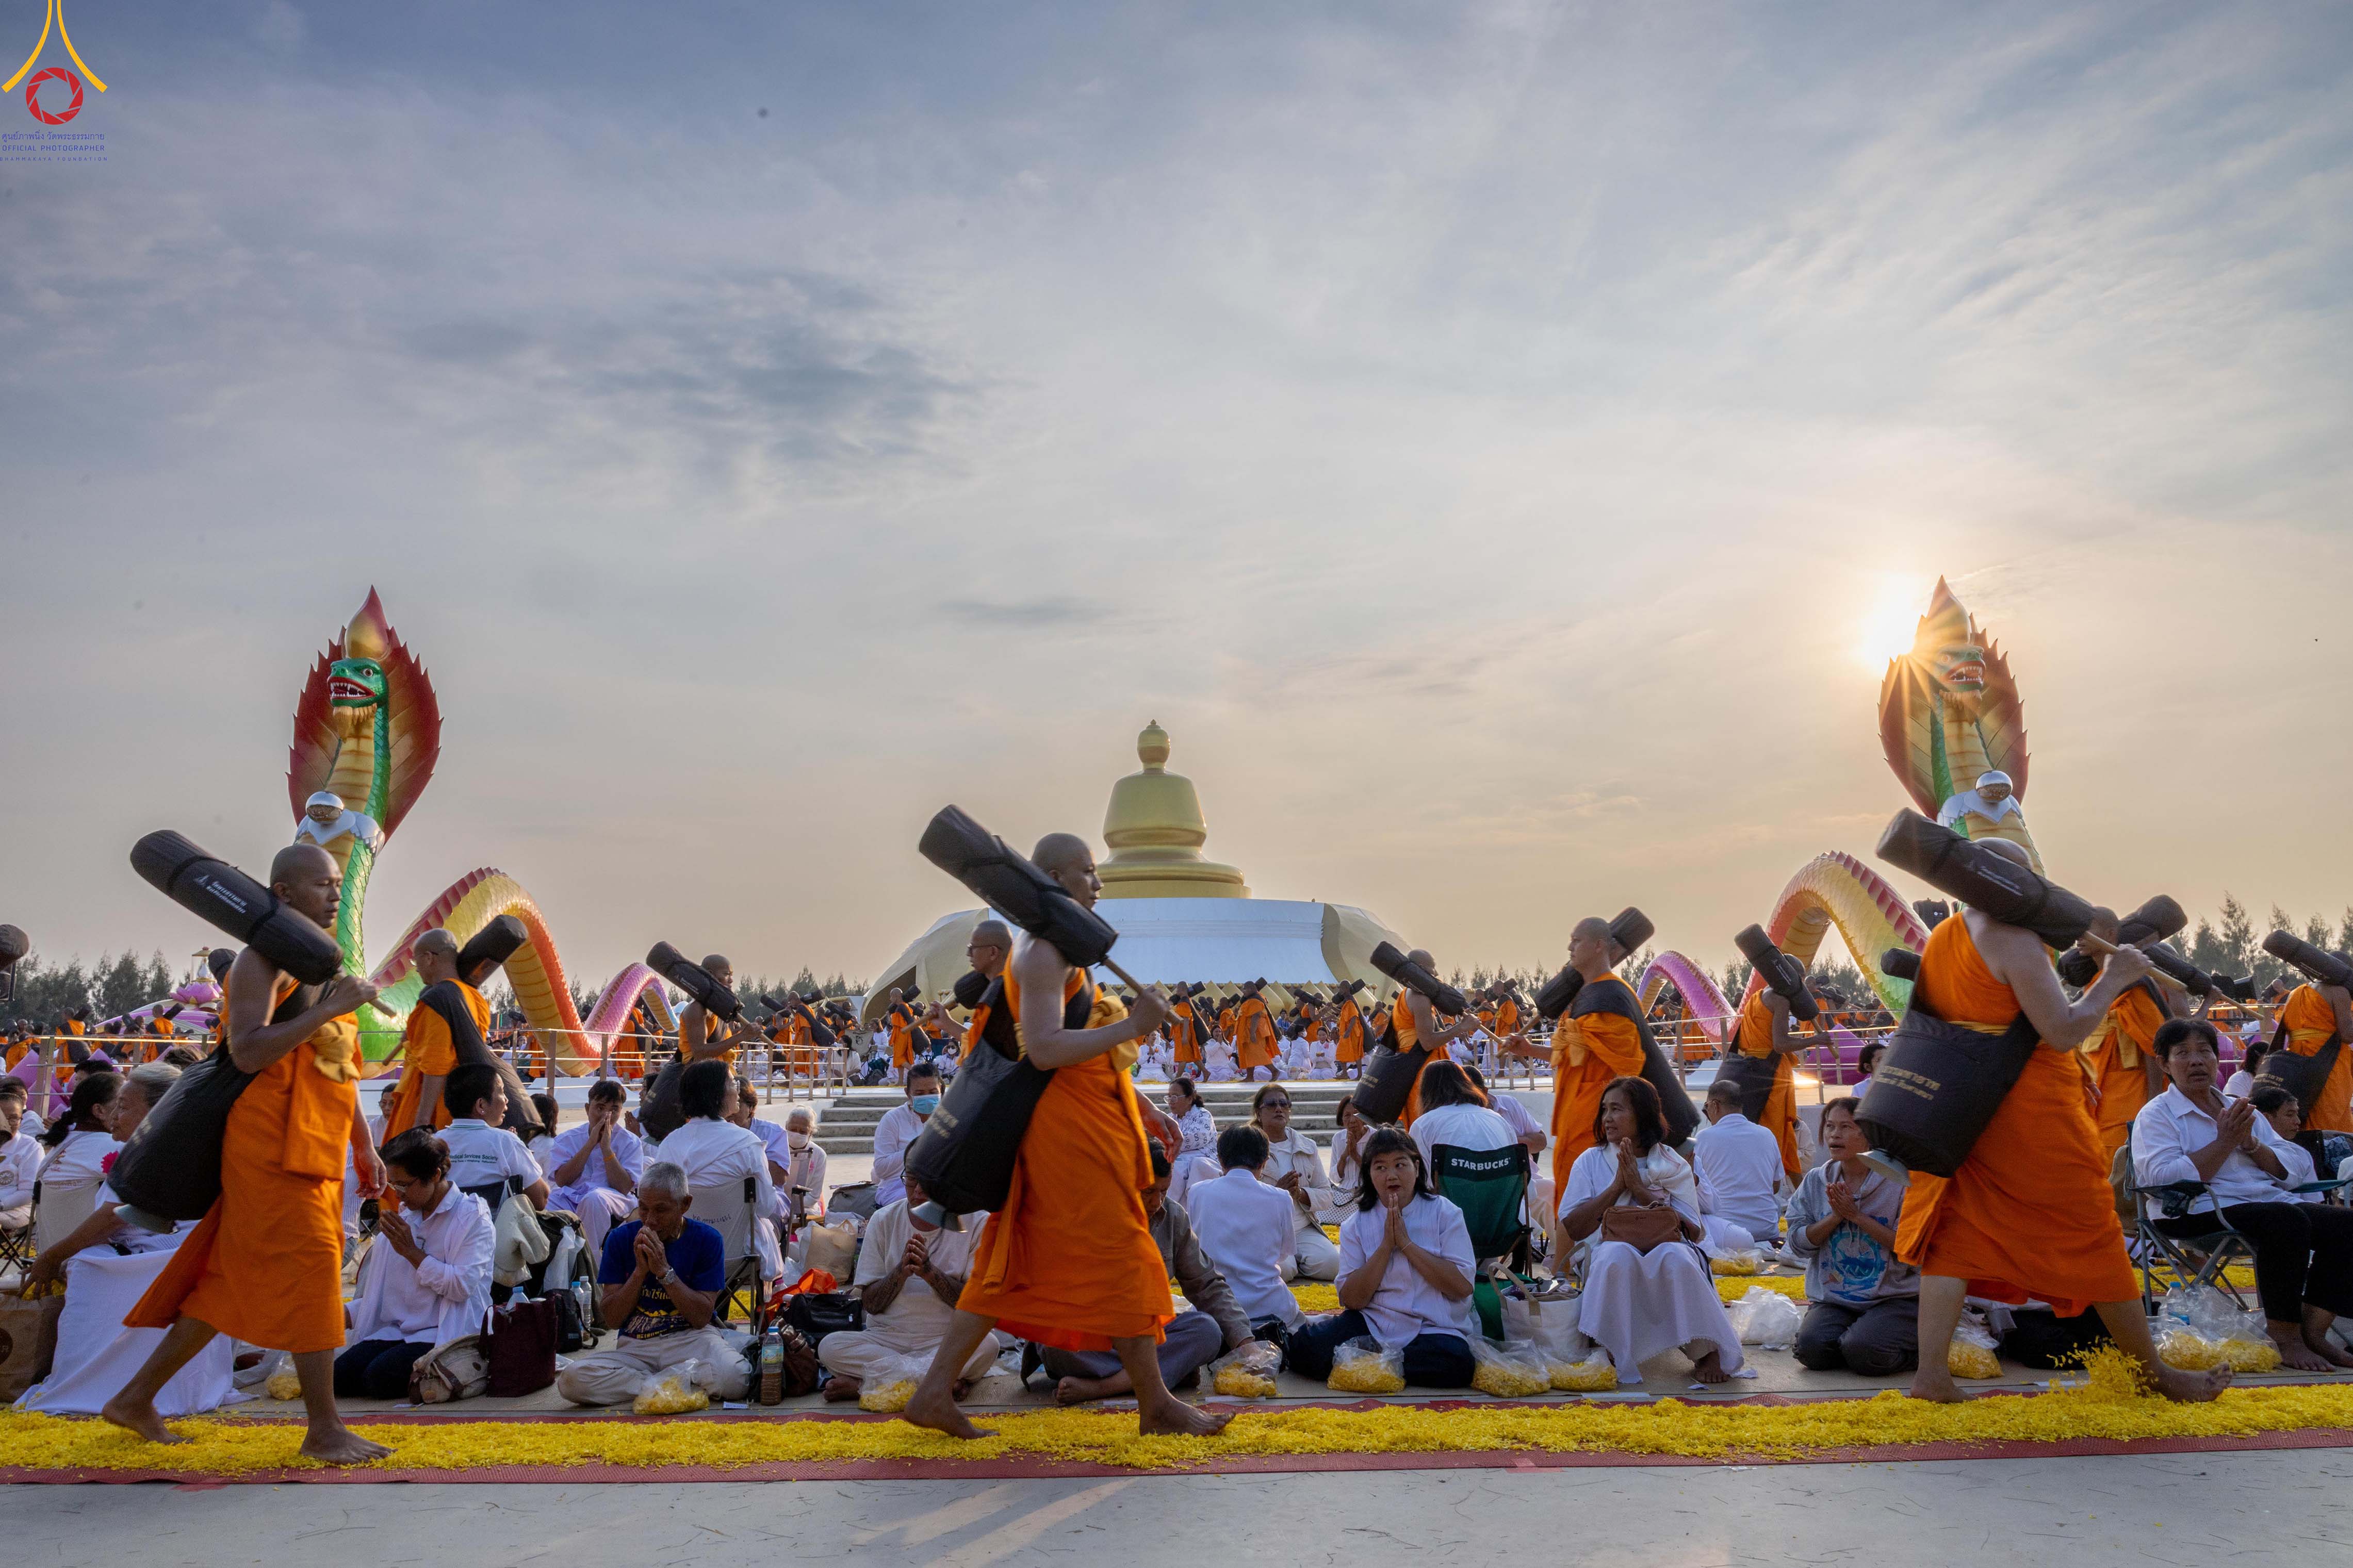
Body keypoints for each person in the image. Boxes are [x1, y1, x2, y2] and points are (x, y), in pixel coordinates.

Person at [903, 832, 1227, 1440]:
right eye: (1087, 872)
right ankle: (1155, 1404)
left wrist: (1142, 1104)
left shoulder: (1063, 949)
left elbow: (1083, 1050)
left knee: (1010, 1258)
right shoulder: (1041, 954)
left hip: (1082, 1125)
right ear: (1053, 876)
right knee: (1125, 1251)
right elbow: (1048, 1049)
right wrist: (1134, 1022)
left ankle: (930, 1393)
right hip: (1061, 1139)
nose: (1098, 885)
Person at [1896, 839, 2227, 1404]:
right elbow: (2061, 1029)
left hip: (1962, 1108)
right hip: (2027, 1115)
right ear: (2011, 884)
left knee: (1955, 1233)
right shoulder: (2013, 938)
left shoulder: (1948, 935)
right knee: (2094, 1232)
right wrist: (2114, 974)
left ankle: (1931, 1374)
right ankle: (2154, 1374)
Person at [111, 841, 391, 1463]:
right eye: (323, 883)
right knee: (318, 1268)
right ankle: (324, 1428)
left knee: (228, 1282)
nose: (335, 894)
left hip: (318, 1145)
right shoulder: (261, 959)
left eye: (339, 884)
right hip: (269, 1143)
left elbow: (337, 1068)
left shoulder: (324, 964)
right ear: (284, 893)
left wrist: (364, 1144)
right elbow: (249, 1051)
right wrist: (336, 1005)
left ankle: (134, 1398)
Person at [2130, 1017, 2353, 1372]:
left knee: (2346, 1224)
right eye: (2183, 1053)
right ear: (2164, 1063)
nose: (2196, 1061)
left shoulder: (2240, 1107)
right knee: (2285, 1219)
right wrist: (2224, 1143)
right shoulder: (2158, 1114)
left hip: (2265, 1202)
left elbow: (2295, 1164)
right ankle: (2284, 1336)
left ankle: (2314, 1331)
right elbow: (2159, 1177)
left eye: (2204, 1051)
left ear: (2217, 1058)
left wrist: (2251, 1144)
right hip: (2196, 1208)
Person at [1557, 1076, 1742, 1385]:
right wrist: (1618, 1186)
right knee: (1617, 1255)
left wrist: (1641, 1191)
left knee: (1677, 1256)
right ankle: (1611, 1344)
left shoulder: (1671, 1162)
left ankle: (1704, 1348)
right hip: (1605, 1246)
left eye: (1617, 1110)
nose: (1608, 1118)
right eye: (1605, 1110)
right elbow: (1574, 1226)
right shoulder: (1589, 1161)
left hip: (1665, 1243)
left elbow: (1694, 1232)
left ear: (1642, 1114)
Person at [1042, 1144, 1259, 1404]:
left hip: (1146, 1333)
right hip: (1094, 1330)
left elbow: (1207, 1284)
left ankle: (1108, 1385)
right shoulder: (1090, 1212)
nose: (1156, 1202)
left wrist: (1246, 1344)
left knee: (1206, 1331)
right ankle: (1164, 1373)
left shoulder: (1174, 1217)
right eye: (1148, 1192)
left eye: (1164, 1191)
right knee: (1053, 1344)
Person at [1286, 1128, 1477, 1389]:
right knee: (1304, 1349)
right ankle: (1381, 1362)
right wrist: (1387, 1246)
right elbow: (1352, 1299)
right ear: (1369, 1174)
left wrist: (1407, 1245)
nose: (1392, 1176)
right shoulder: (1357, 1223)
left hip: (1431, 1327)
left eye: (1400, 1165)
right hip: (1373, 1322)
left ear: (1417, 1167)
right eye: (1381, 1168)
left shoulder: (1445, 1214)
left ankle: (1371, 1363)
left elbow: (1462, 1287)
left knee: (1457, 1364)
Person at [555, 1161, 749, 1405]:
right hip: (636, 1346)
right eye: (644, 1209)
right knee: (571, 1381)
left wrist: (664, 1272)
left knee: (736, 1379)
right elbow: (613, 1320)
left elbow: (701, 1318)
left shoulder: (707, 1240)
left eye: (661, 1210)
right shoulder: (621, 1239)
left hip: (691, 1340)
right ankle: (669, 1383)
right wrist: (639, 1272)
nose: (650, 1220)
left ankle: (653, 1384)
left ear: (685, 1205)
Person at [337, 1129, 496, 1399]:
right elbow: (386, 1296)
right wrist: (345, 1314)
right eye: (393, 1185)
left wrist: (412, 1252)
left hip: (445, 1331)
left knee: (378, 1380)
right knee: (339, 1378)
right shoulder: (407, 1216)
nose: (397, 1195)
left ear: (434, 1175)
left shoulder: (472, 1218)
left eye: (404, 1185)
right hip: (398, 1330)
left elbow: (461, 1287)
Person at [820, 1173, 1003, 1401]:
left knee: (988, 1345)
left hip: (945, 1339)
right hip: (887, 1340)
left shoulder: (976, 1222)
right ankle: (937, 1383)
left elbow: (974, 1306)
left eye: (927, 1183)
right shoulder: (883, 1219)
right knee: (829, 1347)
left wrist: (930, 1273)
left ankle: (865, 1386)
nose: (917, 1191)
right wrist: (900, 1273)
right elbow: (872, 1305)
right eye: (912, 1180)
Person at [1513, 918, 1648, 1198]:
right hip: (1573, 1113)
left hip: (1599, 1115)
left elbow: (1630, 1066)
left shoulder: (1613, 996)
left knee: (1592, 1198)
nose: (1569, 947)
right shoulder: (1584, 998)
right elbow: (1570, 1055)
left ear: (1599, 946)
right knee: (1570, 1197)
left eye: (1576, 941)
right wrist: (1527, 1049)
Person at [1787, 1097, 1919, 1375]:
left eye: (1846, 1127)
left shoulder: (1900, 1182)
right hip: (1836, 1300)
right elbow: (1798, 1244)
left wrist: (1857, 1217)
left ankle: (1911, 1348)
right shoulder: (1816, 1180)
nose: (1835, 1135)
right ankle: (1855, 1340)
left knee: (1866, 1353)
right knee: (1812, 1352)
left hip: (1895, 1298)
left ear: (1870, 1135)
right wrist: (1836, 1216)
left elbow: (1912, 1249)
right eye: (1830, 1126)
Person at [654, 1059, 785, 1279]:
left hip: (681, 1255)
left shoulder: (669, 1145)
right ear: (718, 1094)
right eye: (733, 1083)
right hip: (737, 1259)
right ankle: (757, 1310)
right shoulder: (748, 1144)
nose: (738, 1090)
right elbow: (765, 1207)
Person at [1185, 1126, 1309, 1340]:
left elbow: (1197, 1247)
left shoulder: (1198, 1192)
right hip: (1270, 1308)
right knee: (1305, 1329)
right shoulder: (1281, 1198)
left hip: (1216, 1309)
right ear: (1264, 1162)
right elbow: (1284, 1254)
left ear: (1221, 1161)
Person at [2076, 909, 2170, 1159]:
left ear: (2110, 934)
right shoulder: (2092, 987)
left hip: (2129, 1095)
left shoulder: (2134, 987)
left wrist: (2153, 1105)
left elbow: (2154, 1049)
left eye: (2088, 929)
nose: (2079, 936)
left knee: (2121, 1167)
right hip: (2095, 1095)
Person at [1727, 973, 1828, 1180]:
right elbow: (1780, 1045)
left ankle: (1798, 1195)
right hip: (1771, 1074)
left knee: (1784, 1135)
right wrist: (1816, 1039)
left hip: (1751, 1071)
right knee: (1774, 1135)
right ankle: (1768, 1186)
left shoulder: (1757, 996)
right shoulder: (1780, 1000)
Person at [380, 929, 475, 1137]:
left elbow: (436, 1065)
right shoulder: (473, 997)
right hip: (463, 1100)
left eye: (416, 962)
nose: (416, 969)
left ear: (429, 958)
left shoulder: (437, 1001)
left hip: (432, 1105)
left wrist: (422, 1122)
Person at [544, 1078, 643, 1262]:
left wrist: (606, 1149)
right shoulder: (568, 1139)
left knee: (594, 1199)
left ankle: (589, 1263)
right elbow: (562, 1180)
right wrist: (590, 1145)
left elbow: (623, 1187)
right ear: (587, 1108)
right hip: (573, 1196)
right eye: (600, 1108)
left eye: (614, 1110)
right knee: (546, 1202)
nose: (607, 1115)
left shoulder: (630, 1142)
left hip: (614, 1198)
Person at [1247, 1083, 1339, 1279]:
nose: (1279, 1109)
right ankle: (1292, 1262)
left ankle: (1297, 1259)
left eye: (1284, 1104)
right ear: (1259, 1112)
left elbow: (1326, 1195)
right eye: (1271, 1104)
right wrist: (1278, 1193)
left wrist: (1301, 1194)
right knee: (1284, 1271)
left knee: (1333, 1265)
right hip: (1268, 1228)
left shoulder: (1307, 1146)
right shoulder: (1248, 1146)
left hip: (1303, 1228)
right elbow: (1239, 1198)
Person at [437, 1064, 550, 1212]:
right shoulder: (506, 1142)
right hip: (495, 1232)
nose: (506, 1100)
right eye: (502, 1092)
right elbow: (541, 1199)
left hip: (440, 1233)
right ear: (481, 1105)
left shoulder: (432, 1143)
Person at [1387, 952, 1482, 1125]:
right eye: (1433, 968)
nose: (1436, 974)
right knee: (1430, 1126)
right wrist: (1461, 1027)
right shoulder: (1419, 997)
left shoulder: (1405, 995)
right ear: (1422, 969)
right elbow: (1427, 1042)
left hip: (1411, 1067)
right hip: (1421, 1069)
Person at [1693, 1078, 1787, 1248]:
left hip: (1726, 1231)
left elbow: (1694, 1189)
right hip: (1766, 1229)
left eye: (1707, 1108)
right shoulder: (1766, 1134)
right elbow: (1775, 1186)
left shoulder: (1703, 1138)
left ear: (1714, 1106)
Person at [2270, 970, 2353, 1136]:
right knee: (2331, 1118)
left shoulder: (2296, 992)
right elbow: (2347, 1035)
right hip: (2328, 1064)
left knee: (2303, 1115)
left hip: (2296, 1064)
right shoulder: (2339, 991)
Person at [1405, 1060, 1518, 1175]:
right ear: (1466, 1083)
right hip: (1502, 1192)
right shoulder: (1498, 1119)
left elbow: (1422, 1179)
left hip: (1449, 1192)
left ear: (1426, 1091)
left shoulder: (1423, 1125)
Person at [871, 1063, 939, 1210]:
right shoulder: (893, 1119)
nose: (927, 1097)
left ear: (942, 1090)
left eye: (933, 1092)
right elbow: (881, 1169)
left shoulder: (949, 1120)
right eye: (920, 1094)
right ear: (908, 1093)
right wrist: (917, 1151)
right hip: (897, 1187)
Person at [679, 955, 760, 1064]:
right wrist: (743, 1036)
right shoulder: (696, 1008)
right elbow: (700, 1053)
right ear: (711, 974)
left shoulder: (721, 1007)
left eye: (731, 975)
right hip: (696, 1071)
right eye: (726, 974)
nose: (731, 980)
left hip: (718, 1067)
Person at [0, 1078, 36, 1231]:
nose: (8, 1123)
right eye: (3, 1118)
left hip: (17, 1209)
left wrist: (2, 1204)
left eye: (14, 1118)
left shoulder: (30, 1147)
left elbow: (28, 1192)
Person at [1233, 985, 1281, 1083]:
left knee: (1258, 1053)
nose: (1243, 991)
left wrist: (1252, 1033)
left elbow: (1256, 1016)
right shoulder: (1250, 1001)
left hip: (1255, 1032)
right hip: (1248, 1032)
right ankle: (1250, 1077)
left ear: (1251, 989)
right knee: (1250, 1054)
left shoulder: (1256, 1000)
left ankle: (1274, 1071)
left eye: (1245, 989)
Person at [1334, 985, 1368, 1080]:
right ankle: (1345, 1074)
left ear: (1346, 989)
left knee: (1356, 1053)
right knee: (1341, 1052)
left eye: (1341, 988)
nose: (1340, 990)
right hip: (1346, 1032)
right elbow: (1343, 1014)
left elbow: (1354, 1017)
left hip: (1352, 1032)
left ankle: (1360, 1075)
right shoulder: (1347, 1001)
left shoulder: (1350, 1001)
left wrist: (1348, 1031)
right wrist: (1331, 1008)